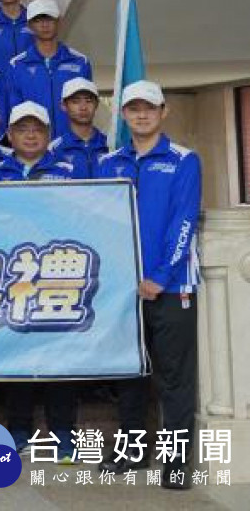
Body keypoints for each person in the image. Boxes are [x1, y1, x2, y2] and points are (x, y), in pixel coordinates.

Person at [96, 81, 199, 490]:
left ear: (163, 112)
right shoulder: (109, 163)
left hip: (172, 288)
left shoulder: (184, 160)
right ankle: (133, 452)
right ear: (122, 114)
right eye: (134, 108)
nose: (142, 114)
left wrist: (160, 275)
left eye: (150, 108)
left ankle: (177, 464)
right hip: (123, 290)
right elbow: (98, 221)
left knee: (174, 378)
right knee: (130, 373)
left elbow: (183, 222)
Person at [0, 102, 78, 463]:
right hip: (12, 277)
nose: (30, 135)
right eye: (22, 129)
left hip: (59, 274)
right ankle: (18, 431)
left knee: (61, 358)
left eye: (37, 129)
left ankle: (64, 436)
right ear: (9, 136)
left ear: (48, 134)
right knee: (17, 355)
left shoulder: (69, 170)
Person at [6, 0, 93, 138]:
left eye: (49, 19)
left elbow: (88, 108)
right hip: (34, 144)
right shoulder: (16, 66)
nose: (44, 25)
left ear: (59, 21)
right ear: (29, 25)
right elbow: (14, 112)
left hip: (72, 144)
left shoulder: (80, 62)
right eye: (38, 20)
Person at [49, 77, 109, 178]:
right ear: (63, 106)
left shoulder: (110, 144)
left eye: (88, 101)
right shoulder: (53, 150)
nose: (83, 107)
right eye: (75, 102)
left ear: (97, 105)